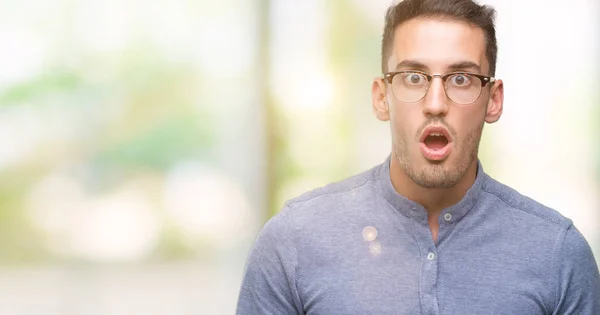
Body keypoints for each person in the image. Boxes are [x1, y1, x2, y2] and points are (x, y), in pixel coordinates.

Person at [236, 0, 600, 314]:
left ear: (494, 100)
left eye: (461, 79)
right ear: (382, 97)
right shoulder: (292, 243)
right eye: (413, 77)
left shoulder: (558, 254)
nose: (435, 104)